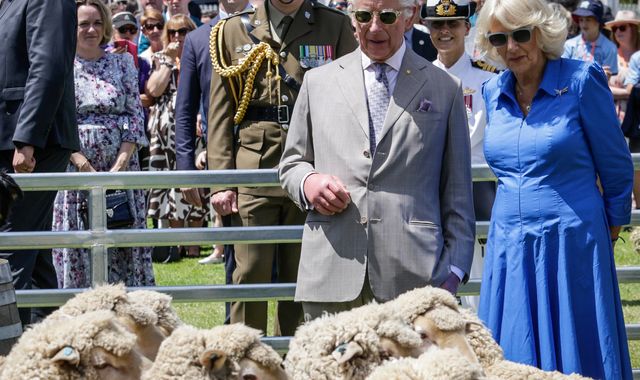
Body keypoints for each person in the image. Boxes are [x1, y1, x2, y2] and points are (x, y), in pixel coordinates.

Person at [279, 0, 475, 319]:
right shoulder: (317, 83)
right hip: (332, 272)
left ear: (409, 17)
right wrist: (308, 181)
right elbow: (291, 163)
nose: (374, 27)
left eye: (386, 16)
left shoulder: (445, 89)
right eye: (363, 16)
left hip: (417, 281)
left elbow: (457, 193)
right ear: (350, 20)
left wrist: (454, 270)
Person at [475, 0, 633, 378]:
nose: (511, 48)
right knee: (511, 349)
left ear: (541, 33)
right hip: (509, 246)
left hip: (573, 245)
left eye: (520, 35)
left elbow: (615, 165)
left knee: (579, 351)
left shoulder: (581, 80)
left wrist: (605, 230)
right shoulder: (491, 91)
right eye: (499, 38)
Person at [208, 0, 358, 335]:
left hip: (313, 166)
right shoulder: (232, 30)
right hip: (253, 168)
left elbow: (352, 99)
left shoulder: (333, 25)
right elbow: (219, 111)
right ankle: (248, 361)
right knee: (249, 274)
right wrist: (221, 181)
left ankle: (296, 357)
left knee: (305, 275)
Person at [52, 0, 154, 289]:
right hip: (75, 171)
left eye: (97, 23)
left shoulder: (122, 62)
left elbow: (135, 115)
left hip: (120, 169)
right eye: (83, 24)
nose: (91, 30)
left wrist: (119, 165)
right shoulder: (60, 66)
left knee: (123, 245)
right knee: (80, 245)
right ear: (71, 28)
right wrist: (81, 162)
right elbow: (56, 120)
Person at [0, 0, 80, 325]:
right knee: (31, 254)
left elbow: (49, 67)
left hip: (31, 144)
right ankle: (49, 351)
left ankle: (8, 352)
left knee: (11, 249)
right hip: (15, 139)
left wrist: (27, 139)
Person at [422, 0, 497, 311]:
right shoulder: (418, 77)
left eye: (452, 24)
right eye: (437, 25)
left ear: (467, 27)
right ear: (427, 29)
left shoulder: (490, 78)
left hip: (478, 184)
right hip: (432, 186)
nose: (444, 31)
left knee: (480, 273)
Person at [175, 0, 252, 267]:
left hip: (272, 156)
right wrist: (185, 169)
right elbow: (184, 110)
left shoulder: (266, 27)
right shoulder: (198, 39)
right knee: (237, 265)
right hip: (225, 162)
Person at [145, 15, 203, 257]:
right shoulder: (161, 59)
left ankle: (194, 245)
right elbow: (153, 90)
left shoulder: (200, 55)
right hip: (164, 131)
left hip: (193, 127)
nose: (178, 37)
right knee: (170, 187)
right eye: (173, 32)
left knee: (195, 182)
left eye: (183, 31)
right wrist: (168, 62)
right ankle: (177, 244)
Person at [562, 0, 618, 76]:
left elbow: (610, 78)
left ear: (598, 21)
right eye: (581, 20)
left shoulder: (610, 48)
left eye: (588, 20)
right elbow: (563, 71)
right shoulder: (570, 45)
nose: (583, 24)